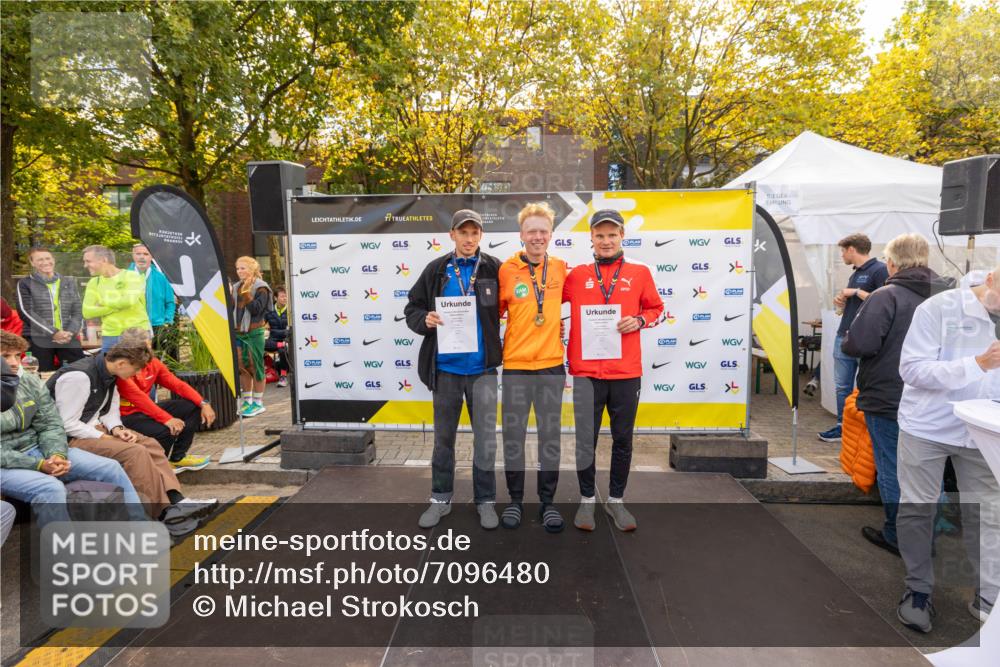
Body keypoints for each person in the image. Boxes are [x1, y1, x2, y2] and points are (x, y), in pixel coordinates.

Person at [894, 265, 1000, 633]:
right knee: (919, 508)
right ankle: (917, 591)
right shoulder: (940, 308)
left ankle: (988, 597)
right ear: (990, 281)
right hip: (928, 425)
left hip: (983, 431)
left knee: (989, 514)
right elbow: (913, 370)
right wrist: (977, 364)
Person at [841, 233, 950, 558]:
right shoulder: (949, 297)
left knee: (893, 467)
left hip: (889, 395)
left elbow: (860, 344)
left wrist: (848, 337)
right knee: (930, 471)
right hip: (936, 398)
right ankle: (930, 532)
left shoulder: (886, 296)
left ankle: (898, 536)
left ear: (891, 262)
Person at [46, 340, 214, 535]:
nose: (136, 375)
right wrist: (103, 436)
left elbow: (109, 411)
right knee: (135, 452)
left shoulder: (110, 374)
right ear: (122, 364)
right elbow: (66, 423)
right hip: (67, 439)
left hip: (92, 429)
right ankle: (161, 513)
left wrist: (117, 429)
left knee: (150, 444)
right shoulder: (79, 376)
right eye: (135, 370)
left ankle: (177, 500)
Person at [563, 209, 664, 532]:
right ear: (591, 238)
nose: (606, 241)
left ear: (622, 236)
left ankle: (617, 501)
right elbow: (548, 303)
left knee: (623, 440)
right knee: (585, 441)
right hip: (585, 372)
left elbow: (657, 309)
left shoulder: (640, 272)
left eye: (612, 235)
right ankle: (586, 500)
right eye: (600, 235)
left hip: (625, 373)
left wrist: (640, 320)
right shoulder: (576, 274)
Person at [405, 209, 503, 530]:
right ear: (452, 235)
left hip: (482, 370)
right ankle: (440, 497)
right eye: (464, 233)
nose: (469, 239)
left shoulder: (494, 268)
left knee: (485, 439)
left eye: (475, 233)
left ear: (480, 236)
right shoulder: (436, 270)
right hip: (445, 371)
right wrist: (425, 320)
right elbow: (413, 307)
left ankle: (486, 500)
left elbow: (517, 307)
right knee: (443, 440)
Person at [1, 331, 147, 526]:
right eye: (5, 356)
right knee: (50, 488)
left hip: (38, 450)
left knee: (110, 467)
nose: (14, 362)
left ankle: (141, 526)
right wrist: (37, 465)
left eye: (17, 355)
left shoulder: (29, 381)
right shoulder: (81, 375)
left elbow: (51, 424)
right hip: (6, 463)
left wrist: (57, 455)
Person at [498, 202, 569, 533]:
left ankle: (548, 502)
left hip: (552, 366)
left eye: (543, 231)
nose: (537, 237)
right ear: (521, 235)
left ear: (551, 234)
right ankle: (514, 500)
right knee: (514, 436)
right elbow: (490, 315)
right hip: (515, 365)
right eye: (532, 231)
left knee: (549, 438)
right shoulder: (506, 270)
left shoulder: (562, 268)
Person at [819, 233, 888, 442]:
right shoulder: (856, 272)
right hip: (844, 334)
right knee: (842, 387)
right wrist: (842, 302)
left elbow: (884, 300)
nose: (841, 255)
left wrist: (855, 292)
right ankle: (842, 426)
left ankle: (862, 429)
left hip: (864, 339)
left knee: (864, 385)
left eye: (843, 250)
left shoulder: (879, 269)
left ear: (852, 249)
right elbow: (857, 302)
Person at [116, 328, 215, 473]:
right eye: (144, 348)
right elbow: (140, 399)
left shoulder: (153, 362)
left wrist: (203, 403)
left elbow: (177, 385)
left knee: (193, 407)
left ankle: (177, 458)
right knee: (166, 430)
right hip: (126, 417)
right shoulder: (122, 369)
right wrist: (168, 419)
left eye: (149, 346)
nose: (149, 350)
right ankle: (158, 467)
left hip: (146, 410)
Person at [16, 246, 85, 371]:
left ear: (53, 259)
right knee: (42, 377)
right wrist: (54, 333)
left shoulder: (68, 281)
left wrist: (70, 332)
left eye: (48, 258)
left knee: (78, 373)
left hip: (67, 337)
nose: (45, 262)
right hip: (38, 338)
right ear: (32, 263)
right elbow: (26, 312)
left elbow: (78, 310)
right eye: (39, 260)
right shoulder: (24, 283)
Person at [81, 245, 151, 351]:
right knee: (110, 367)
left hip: (136, 333)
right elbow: (87, 312)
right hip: (110, 335)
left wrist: (102, 302)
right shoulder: (93, 283)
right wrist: (119, 305)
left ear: (104, 260)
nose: (85, 265)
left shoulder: (132, 276)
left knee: (138, 367)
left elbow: (129, 301)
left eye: (88, 261)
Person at [231, 256, 272, 417]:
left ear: (252, 269)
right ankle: (247, 401)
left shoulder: (261, 287)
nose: (240, 271)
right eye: (238, 268)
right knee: (242, 367)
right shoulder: (235, 287)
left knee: (256, 367)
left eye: (243, 268)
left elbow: (256, 310)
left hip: (254, 332)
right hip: (238, 332)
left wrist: (247, 295)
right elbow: (232, 309)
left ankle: (258, 403)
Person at [129, 243, 177, 360]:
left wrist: (167, 321)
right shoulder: (124, 276)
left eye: (146, 254)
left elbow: (170, 302)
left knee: (155, 361)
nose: (142, 257)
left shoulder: (160, 277)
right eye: (138, 253)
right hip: (132, 326)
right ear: (133, 255)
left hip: (157, 326)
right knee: (136, 361)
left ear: (151, 257)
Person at [265, 285, 291, 388]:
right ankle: (262, 373)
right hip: (273, 341)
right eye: (282, 296)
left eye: (286, 296)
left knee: (282, 350)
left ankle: (283, 376)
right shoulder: (269, 311)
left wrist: (286, 340)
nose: (285, 298)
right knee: (258, 343)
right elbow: (261, 324)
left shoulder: (290, 310)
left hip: (287, 340)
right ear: (275, 298)